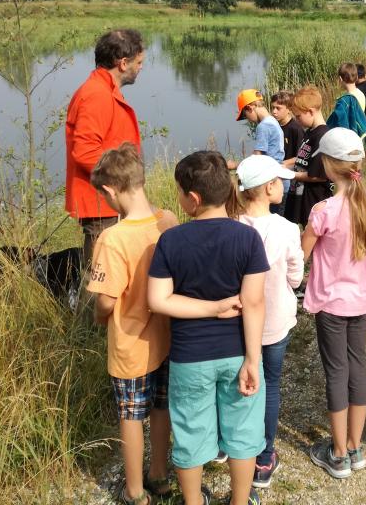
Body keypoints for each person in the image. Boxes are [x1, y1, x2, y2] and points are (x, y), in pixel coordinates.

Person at [147, 151, 268, 505]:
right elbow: (254, 303)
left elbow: (158, 300)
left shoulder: (171, 241)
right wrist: (253, 359)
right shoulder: (248, 238)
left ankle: (193, 501)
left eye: (180, 193)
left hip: (190, 357)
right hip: (238, 352)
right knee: (242, 431)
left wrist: (209, 309)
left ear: (193, 199)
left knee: (190, 433)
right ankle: (239, 501)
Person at [87, 143, 179, 505]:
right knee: (161, 406)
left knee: (130, 415)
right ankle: (159, 475)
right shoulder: (168, 220)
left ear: (111, 191)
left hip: (130, 345)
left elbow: (106, 301)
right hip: (167, 338)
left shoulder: (112, 239)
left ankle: (135, 491)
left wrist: (98, 317)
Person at [300, 128, 366, 479]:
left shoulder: (323, 210)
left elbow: (301, 255)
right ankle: (354, 446)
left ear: (329, 166)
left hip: (331, 305)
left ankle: (337, 454)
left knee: (336, 372)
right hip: (360, 302)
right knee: (357, 368)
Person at [236, 155, 303, 489]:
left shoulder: (232, 226)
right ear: (268, 188)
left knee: (239, 383)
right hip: (275, 319)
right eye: (279, 182)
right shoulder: (287, 229)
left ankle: (231, 445)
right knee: (270, 384)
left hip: (238, 323)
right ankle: (264, 457)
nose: (283, 186)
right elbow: (296, 277)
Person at [66, 29, 145, 269]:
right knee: (100, 273)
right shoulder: (96, 95)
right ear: (123, 63)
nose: (141, 67)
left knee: (110, 270)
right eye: (139, 62)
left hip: (111, 198)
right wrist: (123, 181)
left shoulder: (103, 90)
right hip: (103, 200)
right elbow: (85, 151)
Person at [229, 89, 286, 214]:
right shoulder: (273, 121)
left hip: (271, 181)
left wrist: (234, 165)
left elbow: (257, 158)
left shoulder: (263, 126)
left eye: (245, 116)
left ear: (250, 108)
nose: (248, 120)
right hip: (279, 180)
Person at [284, 86, 332, 226]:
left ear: (310, 111)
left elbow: (318, 175)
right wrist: (285, 166)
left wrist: (290, 174)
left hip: (313, 199)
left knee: (311, 232)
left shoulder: (322, 136)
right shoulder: (310, 131)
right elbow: (304, 161)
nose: (297, 120)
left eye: (298, 116)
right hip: (300, 194)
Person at [271, 90, 304, 215]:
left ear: (289, 109)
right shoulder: (274, 126)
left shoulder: (296, 129)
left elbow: (300, 157)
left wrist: (281, 164)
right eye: (272, 107)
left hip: (291, 177)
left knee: (284, 210)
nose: (274, 111)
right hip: (277, 175)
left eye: (278, 108)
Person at [326, 63, 366, 139]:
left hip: (348, 137)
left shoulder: (344, 100)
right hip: (360, 134)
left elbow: (339, 121)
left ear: (340, 79)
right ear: (357, 77)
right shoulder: (361, 94)